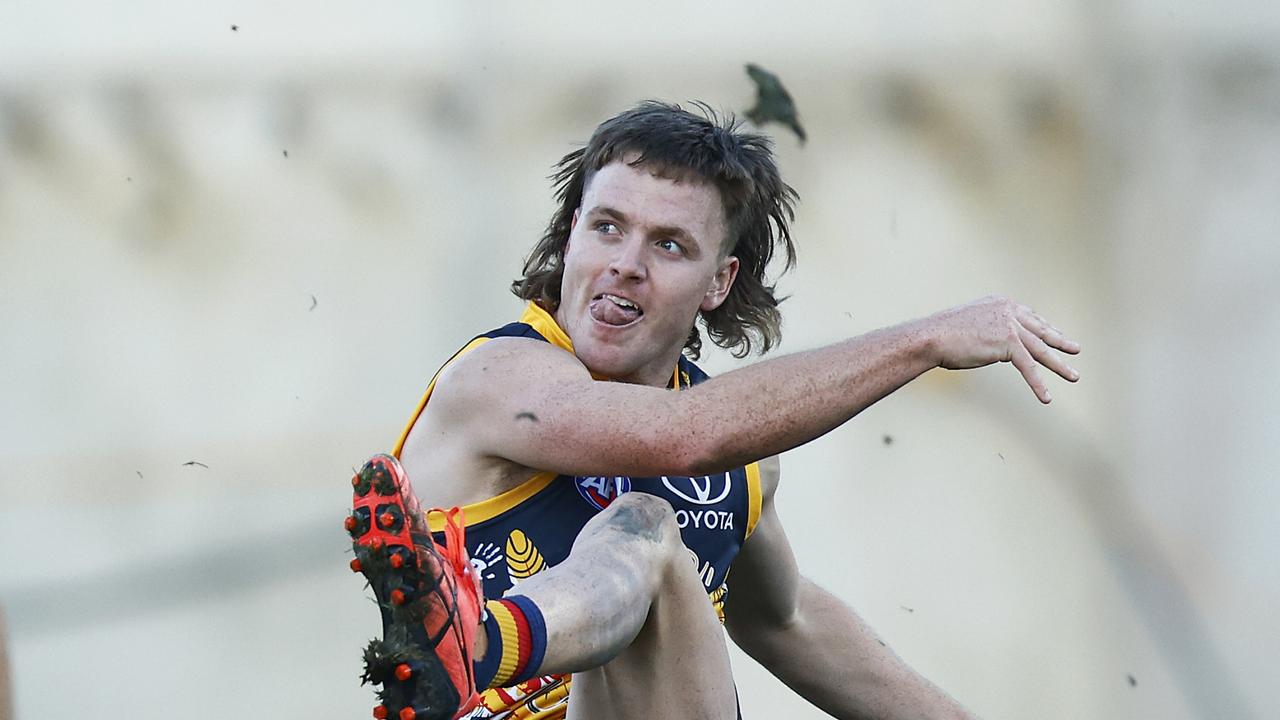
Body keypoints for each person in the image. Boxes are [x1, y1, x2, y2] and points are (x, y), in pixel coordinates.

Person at [346, 101, 1080, 720]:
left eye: (668, 244)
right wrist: (921, 342)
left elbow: (787, 618)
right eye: (606, 226)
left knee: (651, 538)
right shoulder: (498, 376)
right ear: (570, 234)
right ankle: (469, 645)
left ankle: (475, 644)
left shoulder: (738, 464)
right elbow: (684, 438)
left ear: (718, 282)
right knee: (646, 529)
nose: (626, 262)